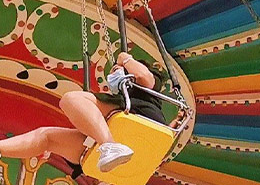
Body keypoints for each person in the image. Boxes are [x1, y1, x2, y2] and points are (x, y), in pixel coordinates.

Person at [0, 52, 166, 172]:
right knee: (47, 137)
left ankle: (110, 145)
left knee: (71, 99)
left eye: (118, 69)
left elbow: (143, 75)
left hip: (141, 121)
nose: (114, 71)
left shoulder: (150, 86)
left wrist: (124, 58)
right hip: (118, 140)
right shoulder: (119, 100)